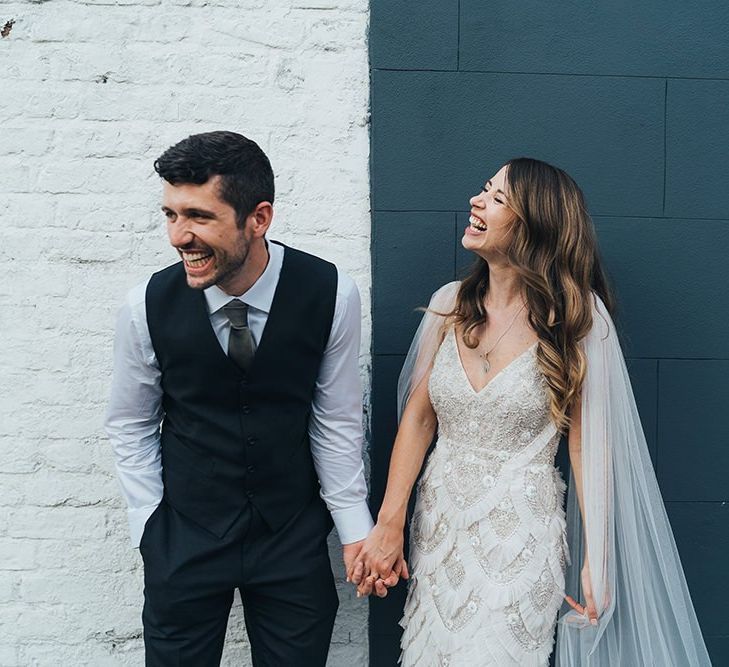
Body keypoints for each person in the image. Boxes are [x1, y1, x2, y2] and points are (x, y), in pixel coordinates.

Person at [350, 158, 711, 666]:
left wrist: (596, 558)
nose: (476, 201)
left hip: (519, 541)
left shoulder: (578, 322)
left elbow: (588, 443)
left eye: (497, 198)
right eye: (483, 189)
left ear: (535, 225)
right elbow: (419, 418)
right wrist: (389, 523)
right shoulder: (449, 305)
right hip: (440, 532)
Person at [105, 131, 373, 666]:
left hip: (290, 536)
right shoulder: (145, 305)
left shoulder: (332, 293)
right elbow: (130, 423)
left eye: (199, 217)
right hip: (184, 535)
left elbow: (336, 421)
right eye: (171, 215)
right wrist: (151, 525)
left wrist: (354, 531)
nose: (179, 236)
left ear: (259, 218)